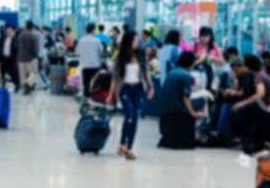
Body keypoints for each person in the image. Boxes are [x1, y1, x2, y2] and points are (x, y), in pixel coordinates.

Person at [107, 30, 154, 161]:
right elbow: (115, 78)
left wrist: (151, 86)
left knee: (135, 119)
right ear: (128, 41)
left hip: (138, 89)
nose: (137, 42)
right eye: (135, 40)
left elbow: (146, 72)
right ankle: (122, 144)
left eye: (137, 40)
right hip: (125, 89)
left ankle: (129, 148)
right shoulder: (120, 57)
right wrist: (111, 94)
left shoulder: (141, 55)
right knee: (129, 116)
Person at [158, 51, 204, 149]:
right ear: (191, 63)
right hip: (178, 108)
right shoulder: (186, 75)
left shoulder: (172, 72)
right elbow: (185, 97)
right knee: (202, 100)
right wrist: (192, 113)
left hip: (165, 108)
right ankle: (202, 129)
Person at [75, 24, 103, 96]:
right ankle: (94, 95)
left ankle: (86, 95)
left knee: (86, 83)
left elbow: (77, 53)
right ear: (92, 30)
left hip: (85, 65)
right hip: (95, 65)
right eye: (94, 30)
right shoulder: (97, 40)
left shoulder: (81, 40)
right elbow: (101, 52)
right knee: (95, 82)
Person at [17, 21, 40, 95]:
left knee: (22, 75)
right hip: (31, 58)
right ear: (32, 27)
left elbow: (17, 45)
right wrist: (35, 55)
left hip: (21, 57)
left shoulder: (20, 35)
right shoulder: (34, 35)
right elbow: (35, 48)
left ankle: (24, 89)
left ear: (26, 26)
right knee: (33, 73)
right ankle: (28, 83)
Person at [0, 25, 19, 92]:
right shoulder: (2, 38)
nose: (8, 31)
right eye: (7, 30)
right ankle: (3, 84)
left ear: (12, 31)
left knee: (13, 73)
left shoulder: (15, 39)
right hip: (4, 58)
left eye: (10, 30)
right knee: (2, 72)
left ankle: (17, 85)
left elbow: (18, 49)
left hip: (12, 59)